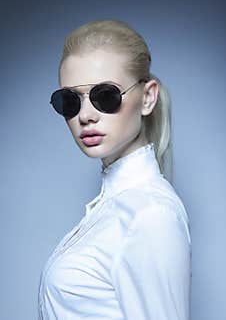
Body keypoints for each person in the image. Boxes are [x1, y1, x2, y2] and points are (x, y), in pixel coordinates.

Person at [38, 19, 192, 319]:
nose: (85, 116)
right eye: (69, 101)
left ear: (147, 97)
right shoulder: (111, 209)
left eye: (105, 96)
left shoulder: (150, 215)